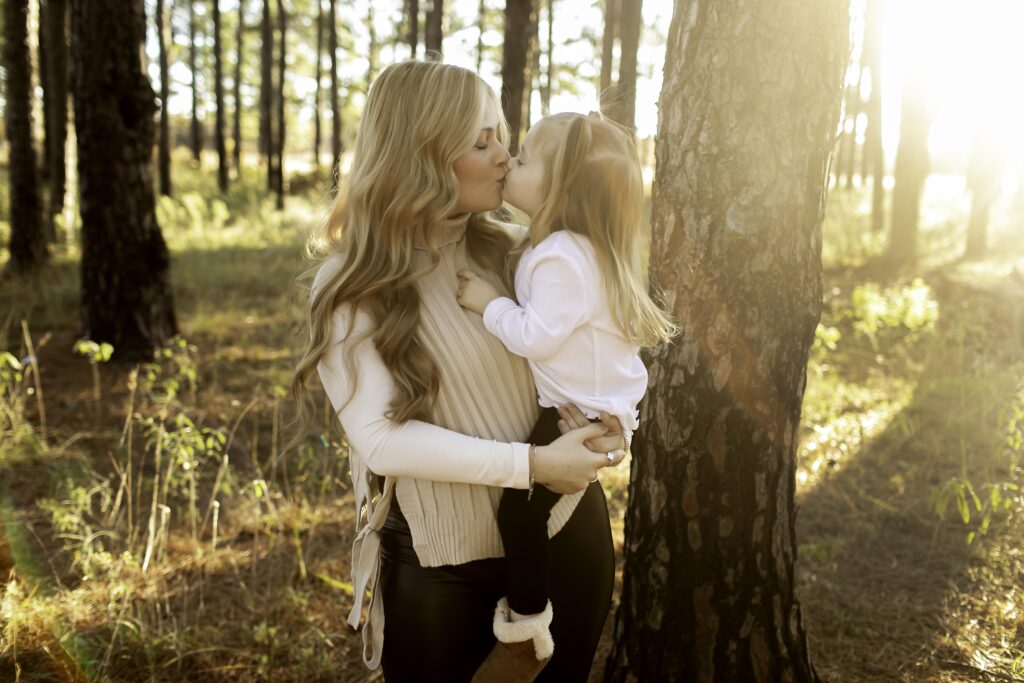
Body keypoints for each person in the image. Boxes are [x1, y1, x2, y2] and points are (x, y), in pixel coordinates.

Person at [290, 60, 627, 683]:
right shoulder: (352, 286)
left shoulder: (517, 253)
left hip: (565, 536)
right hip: (444, 567)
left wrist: (607, 418)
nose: (504, 155)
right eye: (482, 141)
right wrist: (530, 466)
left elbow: (601, 345)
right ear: (419, 156)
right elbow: (382, 439)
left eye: (502, 135)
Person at [456, 112, 676, 680]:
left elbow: (536, 335)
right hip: (592, 409)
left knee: (521, 512)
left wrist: (488, 303)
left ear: (559, 188)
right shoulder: (572, 249)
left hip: (572, 418)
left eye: (525, 158)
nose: (510, 161)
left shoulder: (559, 258)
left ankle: (525, 627)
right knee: (534, 511)